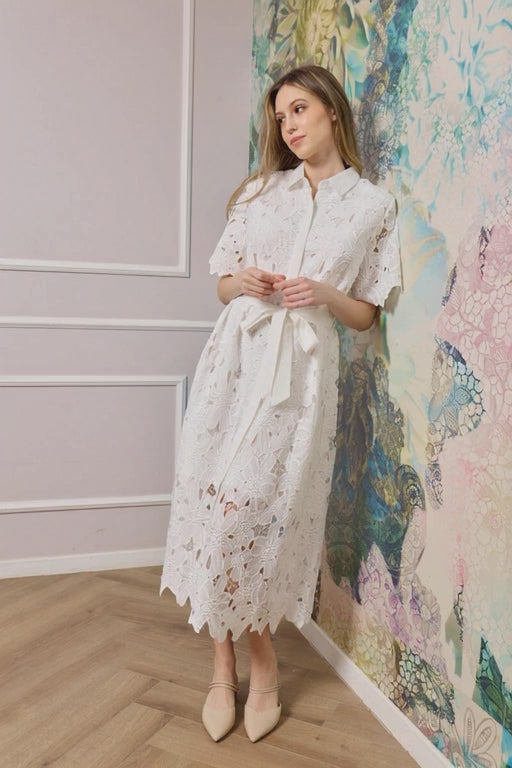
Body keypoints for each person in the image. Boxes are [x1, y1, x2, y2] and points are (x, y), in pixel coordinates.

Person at [160, 64, 401, 743]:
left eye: (299, 109)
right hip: (234, 362)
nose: (288, 125)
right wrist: (241, 281)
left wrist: (322, 293)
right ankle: (227, 665)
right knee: (212, 500)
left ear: (331, 110)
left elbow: (366, 316)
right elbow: (222, 286)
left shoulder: (373, 207)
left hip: (301, 374)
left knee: (253, 513)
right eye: (280, 116)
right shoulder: (261, 193)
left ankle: (260, 656)